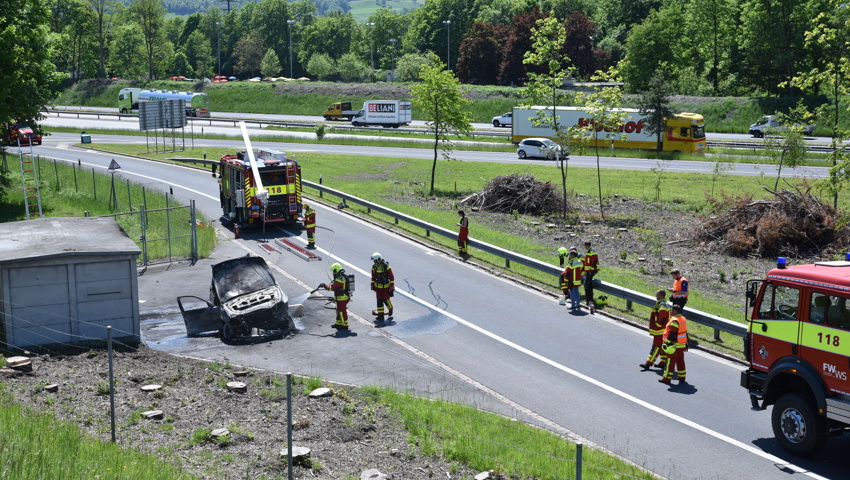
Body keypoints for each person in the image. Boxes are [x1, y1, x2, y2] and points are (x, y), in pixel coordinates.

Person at [640, 290, 670, 371]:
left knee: (656, 347)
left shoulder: (662, 305)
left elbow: (662, 318)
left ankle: (648, 363)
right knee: (662, 346)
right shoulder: (663, 304)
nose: (655, 295)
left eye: (656, 294)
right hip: (662, 330)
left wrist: (657, 325)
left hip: (659, 330)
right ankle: (663, 363)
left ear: (660, 296)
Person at [659, 304, 688, 385]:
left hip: (674, 345)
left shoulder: (674, 320)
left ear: (675, 311)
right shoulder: (683, 319)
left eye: (671, 310)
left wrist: (667, 343)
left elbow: (671, 333)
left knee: (670, 362)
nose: (670, 311)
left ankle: (666, 378)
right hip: (681, 345)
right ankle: (682, 377)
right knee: (680, 361)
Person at [320, 263, 350, 331]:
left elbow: (334, 288)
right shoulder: (342, 276)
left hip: (342, 298)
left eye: (334, 271)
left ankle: (345, 325)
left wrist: (325, 286)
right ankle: (338, 323)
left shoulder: (339, 279)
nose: (333, 273)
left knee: (342, 311)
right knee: (338, 311)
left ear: (337, 270)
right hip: (342, 297)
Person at [370, 252, 395, 322]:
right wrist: (372, 285)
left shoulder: (386, 267)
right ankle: (380, 315)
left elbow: (391, 277)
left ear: (378, 259)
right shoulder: (374, 267)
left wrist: (392, 287)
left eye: (374, 260)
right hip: (378, 287)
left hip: (386, 287)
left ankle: (390, 308)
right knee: (379, 301)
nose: (374, 262)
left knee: (385, 299)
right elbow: (373, 277)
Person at [582, 241, 599, 307]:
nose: (585, 247)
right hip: (588, 271)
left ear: (588, 245)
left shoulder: (592, 251)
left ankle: (590, 300)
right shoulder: (588, 251)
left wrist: (591, 270)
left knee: (588, 285)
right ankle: (588, 299)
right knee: (587, 284)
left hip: (591, 271)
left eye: (585, 246)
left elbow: (595, 261)